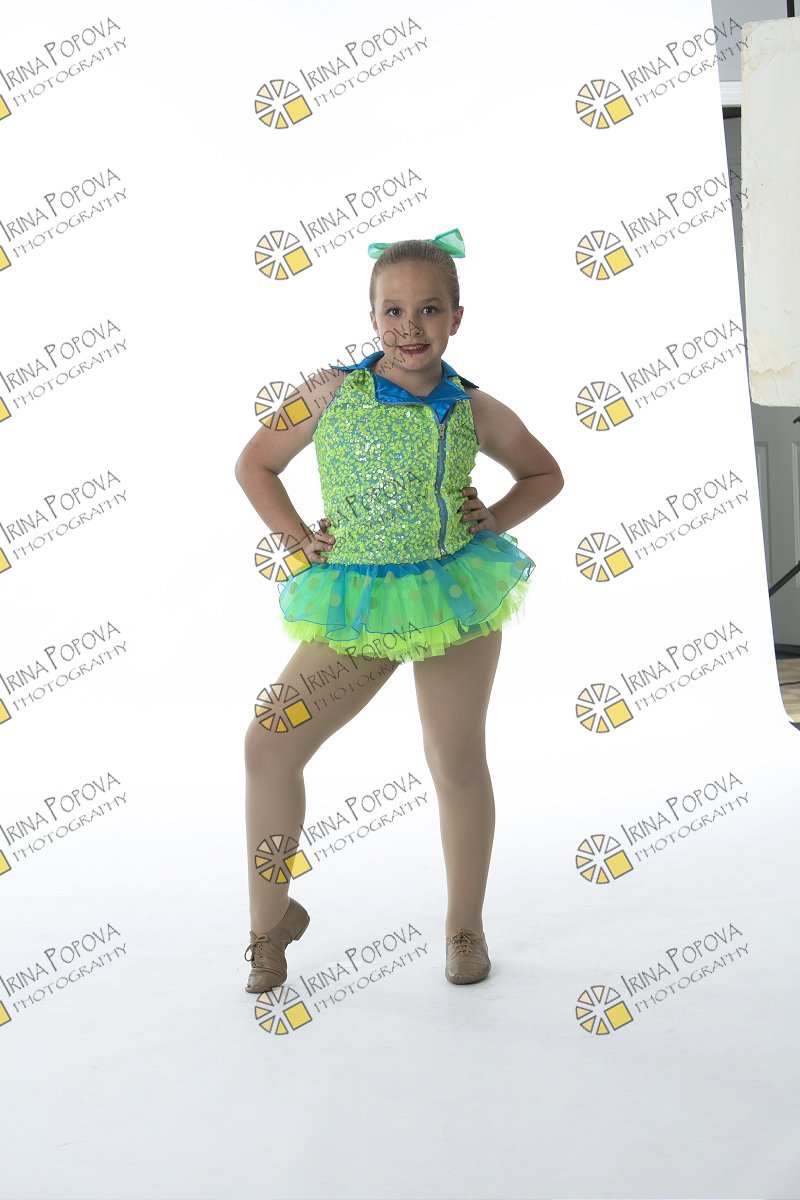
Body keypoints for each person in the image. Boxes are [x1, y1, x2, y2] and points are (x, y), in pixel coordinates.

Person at [234, 227, 564, 994]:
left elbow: (544, 473)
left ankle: (464, 927)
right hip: (360, 601)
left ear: (456, 318)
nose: (410, 327)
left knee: (455, 758)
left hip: (453, 593)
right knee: (269, 745)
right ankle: (268, 925)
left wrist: (495, 518)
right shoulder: (328, 392)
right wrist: (298, 540)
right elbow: (255, 464)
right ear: (372, 316)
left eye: (429, 310)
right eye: (393, 311)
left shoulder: (472, 406)